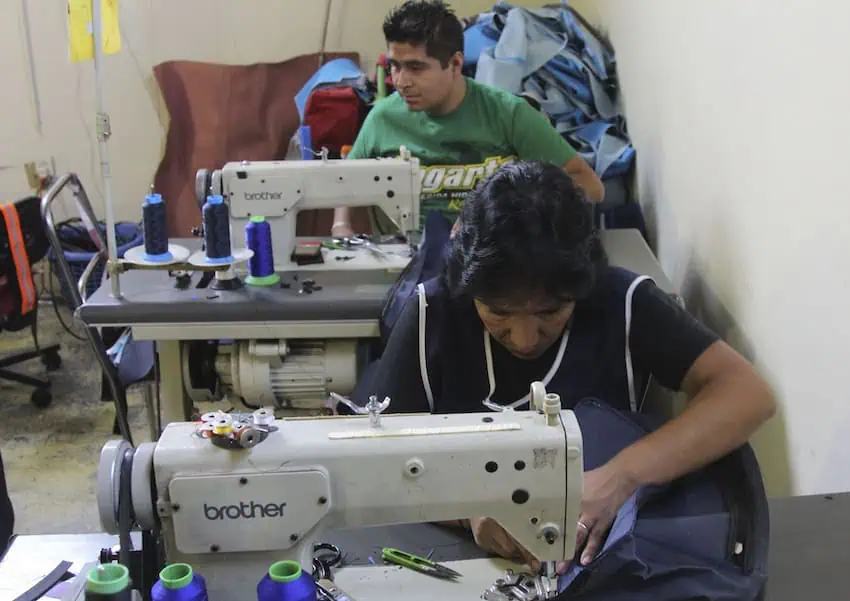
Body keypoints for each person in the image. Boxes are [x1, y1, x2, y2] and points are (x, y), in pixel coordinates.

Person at [353, 160, 776, 572]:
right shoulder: (434, 310)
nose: (524, 339)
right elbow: (378, 461)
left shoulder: (621, 301)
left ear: (583, 284)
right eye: (498, 314)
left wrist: (621, 477)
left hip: (593, 553)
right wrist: (467, 509)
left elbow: (747, 395)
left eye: (550, 313)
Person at [331, 0, 604, 239]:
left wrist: (514, 205)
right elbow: (345, 184)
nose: (401, 82)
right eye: (395, 66)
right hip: (410, 264)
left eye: (416, 68)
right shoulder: (383, 118)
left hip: (497, 262)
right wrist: (341, 226)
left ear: (456, 64)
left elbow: (592, 187)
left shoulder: (509, 114)